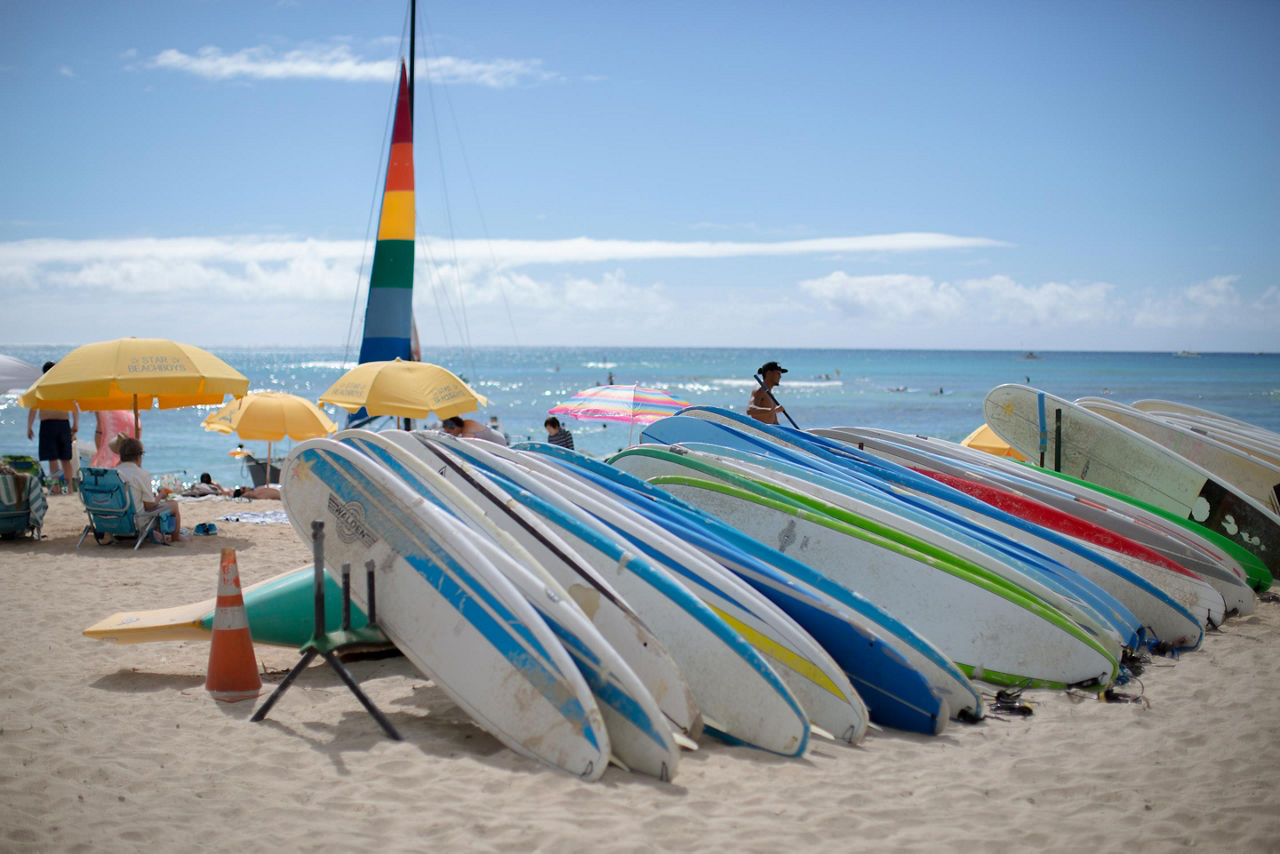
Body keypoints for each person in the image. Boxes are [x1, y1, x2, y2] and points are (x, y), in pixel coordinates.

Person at [114, 437, 185, 543]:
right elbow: (150, 506)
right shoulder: (142, 474)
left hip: (113, 520)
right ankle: (176, 538)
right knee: (173, 504)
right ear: (139, 456)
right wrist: (161, 495)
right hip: (135, 521)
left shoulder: (113, 473)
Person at [26, 361, 79, 493]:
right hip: (62, 424)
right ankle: (67, 488)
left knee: (53, 459)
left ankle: (56, 488)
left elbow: (33, 408)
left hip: (49, 425)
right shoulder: (62, 386)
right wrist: (75, 423)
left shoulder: (40, 386)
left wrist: (29, 426)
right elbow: (74, 407)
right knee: (65, 459)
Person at [747, 361, 788, 425]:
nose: (780, 377)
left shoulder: (771, 395)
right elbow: (750, 410)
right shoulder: (760, 390)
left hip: (769, 432)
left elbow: (775, 422)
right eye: (778, 373)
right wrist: (772, 410)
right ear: (769, 373)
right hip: (760, 431)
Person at [440, 416, 508, 446]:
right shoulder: (467, 422)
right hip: (498, 439)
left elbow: (465, 448)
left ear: (455, 428)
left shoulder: (467, 432)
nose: (450, 435)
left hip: (498, 445)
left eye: (449, 432)